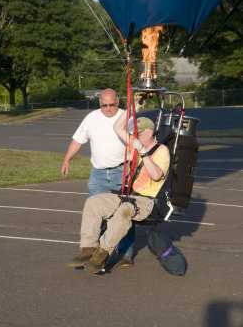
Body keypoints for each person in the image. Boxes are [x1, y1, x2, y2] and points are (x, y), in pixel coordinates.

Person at [65, 112, 170, 274]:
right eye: (134, 134)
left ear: (150, 132)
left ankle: (103, 253)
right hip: (128, 196)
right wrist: (131, 109)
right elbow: (117, 128)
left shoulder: (162, 151)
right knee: (93, 202)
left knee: (125, 210)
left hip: (148, 201)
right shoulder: (135, 144)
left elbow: (156, 175)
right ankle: (87, 249)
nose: (135, 137)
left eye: (139, 134)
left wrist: (142, 151)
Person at [61, 88, 135, 265]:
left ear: (118, 103)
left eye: (112, 105)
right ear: (99, 104)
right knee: (96, 214)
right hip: (98, 174)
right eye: (104, 105)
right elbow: (78, 140)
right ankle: (99, 252)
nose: (108, 108)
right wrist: (66, 159)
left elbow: (137, 143)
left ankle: (126, 252)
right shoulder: (91, 118)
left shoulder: (127, 118)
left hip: (121, 171)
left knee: (124, 213)